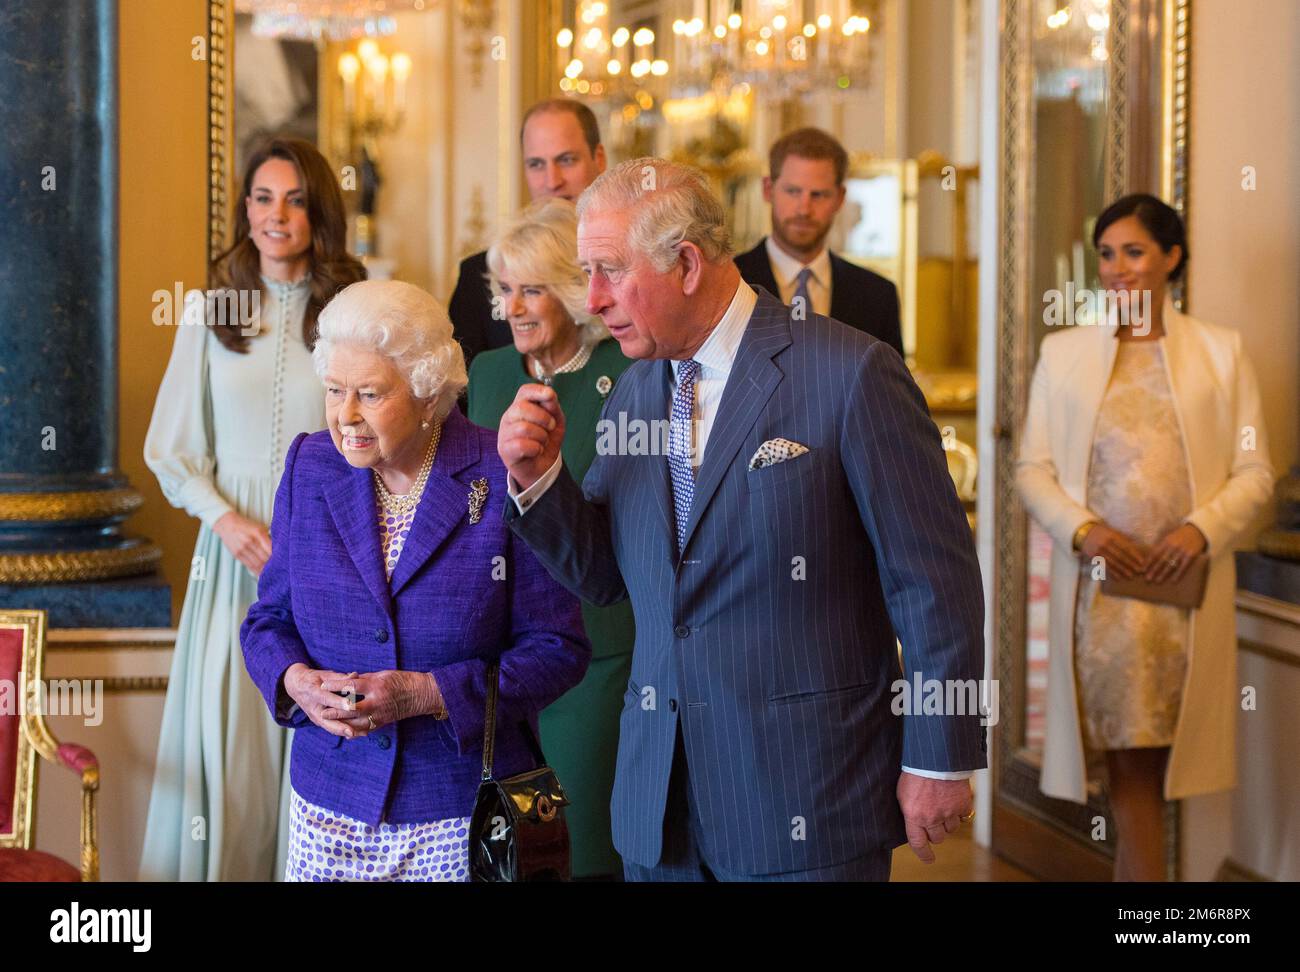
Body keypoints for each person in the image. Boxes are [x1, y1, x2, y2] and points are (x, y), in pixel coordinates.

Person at [497, 159, 986, 882]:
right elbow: (606, 578)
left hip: (808, 800)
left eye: (608, 270)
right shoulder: (634, 390)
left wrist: (938, 756)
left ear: (687, 264)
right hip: (660, 806)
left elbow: (934, 583)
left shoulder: (851, 374)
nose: (592, 299)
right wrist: (539, 482)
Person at [240, 279, 590, 882]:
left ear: (429, 395)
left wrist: (428, 694)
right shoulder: (309, 463)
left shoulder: (499, 470)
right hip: (329, 808)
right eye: (334, 391)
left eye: (369, 394)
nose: (344, 416)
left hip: (459, 813)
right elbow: (267, 620)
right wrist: (294, 680)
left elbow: (559, 650)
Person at [1017, 194, 1274, 881]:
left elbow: (1255, 472)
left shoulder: (1222, 353)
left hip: (1185, 596)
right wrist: (1087, 530)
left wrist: (1199, 530)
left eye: (1133, 252)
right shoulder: (1064, 352)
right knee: (1129, 769)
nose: (1118, 268)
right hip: (1103, 604)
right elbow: (1030, 471)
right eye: (1106, 253)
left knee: (1167, 766)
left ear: (1171, 259)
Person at [140, 136, 366, 881]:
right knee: (232, 749)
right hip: (230, 566)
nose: (278, 215)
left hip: (329, 565)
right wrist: (225, 521)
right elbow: (171, 447)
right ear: (245, 208)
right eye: (264, 198)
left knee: (313, 743)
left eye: (296, 199)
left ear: (318, 212)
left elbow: (374, 439)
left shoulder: (351, 312)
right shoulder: (210, 310)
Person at [467, 197, 634, 879]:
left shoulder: (629, 375)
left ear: (573, 288)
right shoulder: (488, 374)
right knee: (519, 845)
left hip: (598, 651)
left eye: (532, 288)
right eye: (505, 289)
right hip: (506, 662)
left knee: (584, 844)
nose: (514, 307)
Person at [448, 99, 607, 369]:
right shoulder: (479, 277)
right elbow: (464, 403)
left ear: (599, 159)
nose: (552, 181)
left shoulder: (628, 267)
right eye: (536, 164)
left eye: (566, 160)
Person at [732, 127, 904, 358]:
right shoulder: (731, 281)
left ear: (840, 199)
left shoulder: (877, 296)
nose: (804, 209)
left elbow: (887, 390)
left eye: (818, 195)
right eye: (793, 191)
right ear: (768, 190)